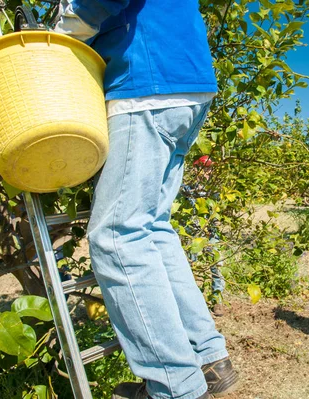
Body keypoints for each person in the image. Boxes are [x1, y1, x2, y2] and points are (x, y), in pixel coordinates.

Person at [54, 1, 239, 398]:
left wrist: (63, 31)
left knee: (117, 237)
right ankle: (208, 359)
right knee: (151, 229)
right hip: (184, 85)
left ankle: (175, 386)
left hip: (145, 83)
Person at [181, 155, 226, 316]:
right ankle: (190, 301)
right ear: (196, 169)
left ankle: (217, 299)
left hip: (211, 231)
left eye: (210, 168)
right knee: (189, 264)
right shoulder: (187, 188)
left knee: (216, 263)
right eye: (205, 168)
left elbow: (218, 210)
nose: (208, 172)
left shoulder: (214, 188)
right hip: (193, 232)